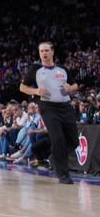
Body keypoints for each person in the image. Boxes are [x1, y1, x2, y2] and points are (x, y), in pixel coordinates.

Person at [20, 41, 80, 184]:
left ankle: (49, 153)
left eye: (47, 50)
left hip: (65, 107)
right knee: (58, 139)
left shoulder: (63, 69)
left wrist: (71, 89)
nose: (44, 53)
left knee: (74, 141)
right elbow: (22, 87)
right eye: (41, 51)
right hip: (48, 107)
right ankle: (63, 174)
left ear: (52, 52)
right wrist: (36, 91)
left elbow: (75, 84)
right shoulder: (35, 69)